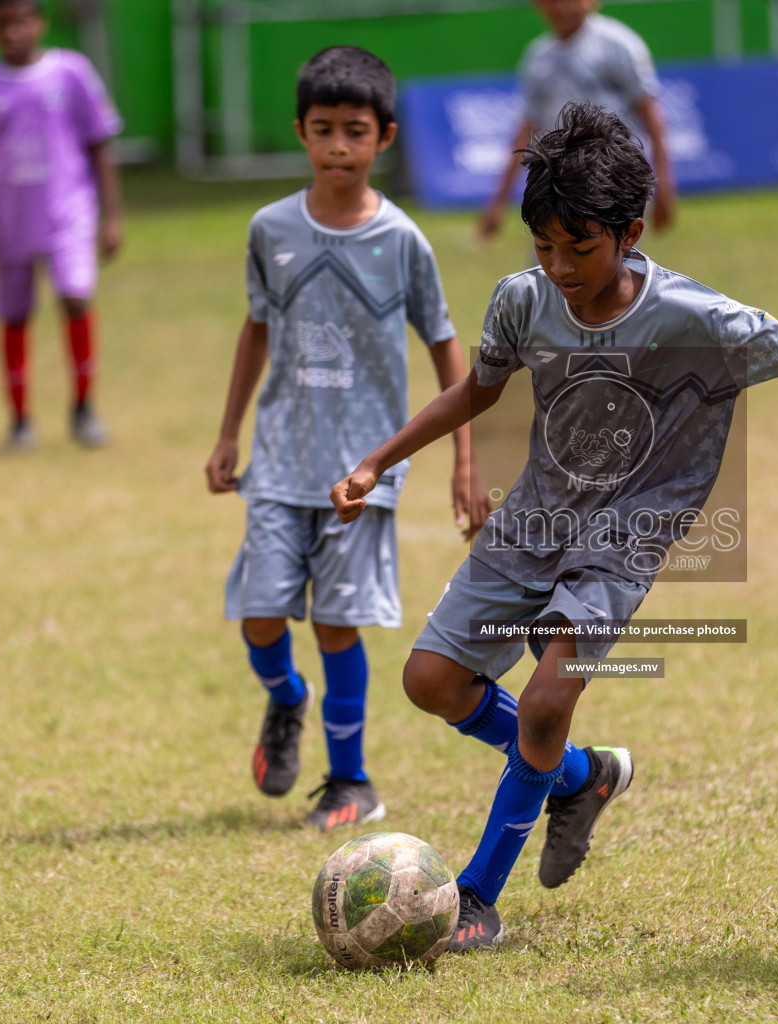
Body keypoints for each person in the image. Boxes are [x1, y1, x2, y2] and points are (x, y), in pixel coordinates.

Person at [332, 101, 778, 951]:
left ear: (630, 231)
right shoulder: (522, 302)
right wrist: (379, 459)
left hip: (624, 534)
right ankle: (581, 776)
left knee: (543, 701)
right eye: (545, 247)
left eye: (582, 247)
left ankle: (478, 898)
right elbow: (478, 391)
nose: (562, 266)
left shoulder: (692, 318)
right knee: (430, 682)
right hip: (534, 520)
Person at [204, 47, 489, 831]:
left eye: (354, 132)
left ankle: (351, 783)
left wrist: (465, 463)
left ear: (384, 138)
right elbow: (256, 330)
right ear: (299, 132)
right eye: (323, 130)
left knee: (335, 622)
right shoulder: (270, 230)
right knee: (261, 615)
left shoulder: (402, 241)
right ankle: (287, 698)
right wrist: (228, 434)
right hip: (279, 461)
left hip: (363, 471)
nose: (337, 147)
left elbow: (446, 345)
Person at [0, 0, 124, 451]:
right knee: (14, 316)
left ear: (41, 23)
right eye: (3, 24)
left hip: (69, 215)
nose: (14, 32)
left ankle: (84, 407)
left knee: (75, 297)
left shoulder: (72, 73)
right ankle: (20, 418)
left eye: (23, 21)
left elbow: (100, 146)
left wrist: (113, 217)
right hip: (11, 222)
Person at [477, 0, 676, 243]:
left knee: (608, 266)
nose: (562, 8)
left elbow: (650, 113)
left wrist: (664, 183)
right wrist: (498, 201)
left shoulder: (618, 44)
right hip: (556, 185)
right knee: (553, 267)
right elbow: (526, 130)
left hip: (610, 180)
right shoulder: (537, 57)